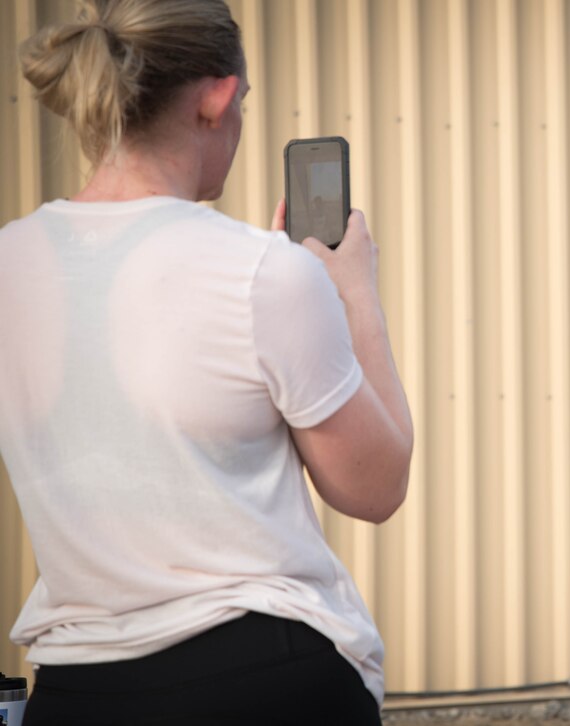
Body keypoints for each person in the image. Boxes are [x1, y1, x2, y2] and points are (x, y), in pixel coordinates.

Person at [0, 0, 412, 723]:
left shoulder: (9, 264)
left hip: (76, 692)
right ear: (218, 99)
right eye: (244, 102)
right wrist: (356, 295)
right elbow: (375, 486)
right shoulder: (263, 271)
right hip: (263, 682)